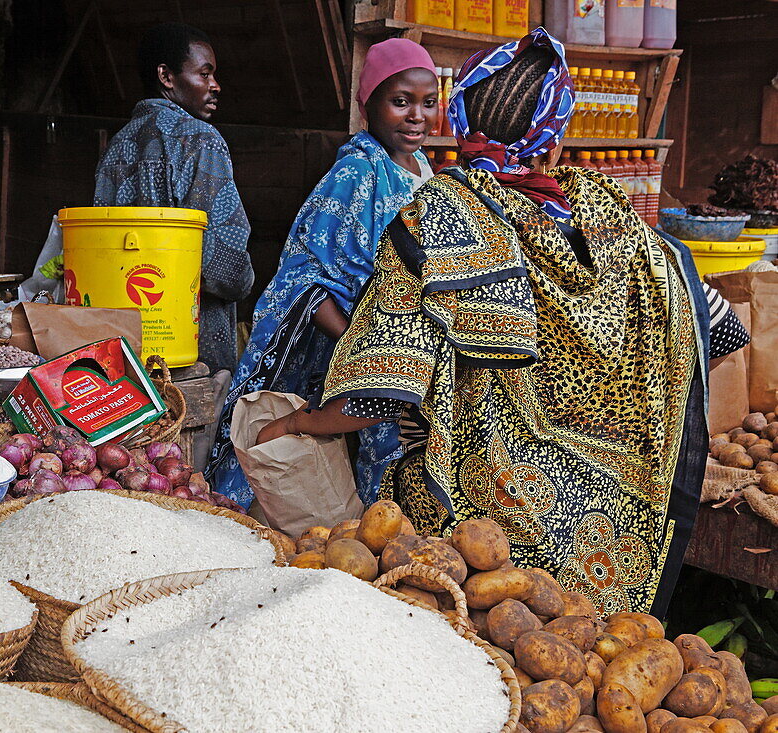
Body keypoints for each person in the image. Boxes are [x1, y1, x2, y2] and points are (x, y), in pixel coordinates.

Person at [256, 29, 748, 616]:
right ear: (555, 126)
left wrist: (296, 425)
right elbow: (719, 332)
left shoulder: (442, 215)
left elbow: (385, 382)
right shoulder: (606, 212)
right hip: (616, 527)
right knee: (589, 662)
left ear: (461, 113)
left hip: (479, 527)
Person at [207, 39, 439, 509]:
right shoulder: (355, 174)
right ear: (367, 104)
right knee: (310, 467)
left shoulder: (423, 168)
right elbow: (304, 277)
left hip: (402, 349)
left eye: (428, 103)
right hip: (350, 347)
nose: (417, 116)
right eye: (400, 102)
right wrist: (361, 346)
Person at [94, 22, 254, 379]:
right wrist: (244, 279)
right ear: (166, 76)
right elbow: (223, 267)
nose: (215, 86)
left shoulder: (117, 145)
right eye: (205, 73)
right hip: (191, 350)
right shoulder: (201, 140)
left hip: (123, 344)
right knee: (191, 426)